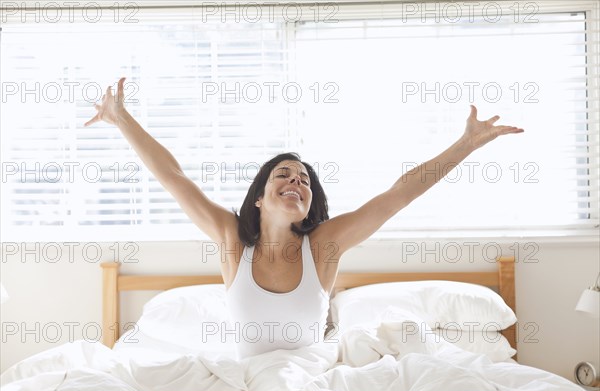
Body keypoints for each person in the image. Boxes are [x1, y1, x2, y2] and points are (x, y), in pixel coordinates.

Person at [85, 77, 524, 358]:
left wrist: (465, 145)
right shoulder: (231, 240)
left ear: (312, 202)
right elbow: (172, 175)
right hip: (249, 382)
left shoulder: (325, 246)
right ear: (259, 197)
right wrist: (122, 119)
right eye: (284, 175)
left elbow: (398, 194)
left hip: (312, 379)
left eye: (305, 180)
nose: (297, 181)